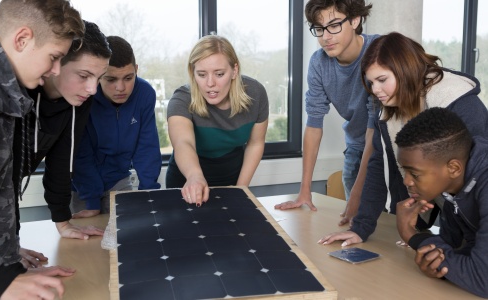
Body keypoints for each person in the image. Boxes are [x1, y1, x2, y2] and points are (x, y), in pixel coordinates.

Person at [319, 32, 488, 247]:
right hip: (454, 222)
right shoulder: (389, 109)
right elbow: (378, 165)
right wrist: (361, 228)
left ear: (406, 71)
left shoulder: (461, 104)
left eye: (382, 80)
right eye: (371, 82)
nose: (375, 91)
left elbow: (477, 179)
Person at [0, 0, 84, 298]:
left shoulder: (8, 95)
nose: (56, 70)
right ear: (22, 39)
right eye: (54, 57)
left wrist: (8, 259)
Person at [274, 0, 378, 223]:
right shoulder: (319, 63)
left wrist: (359, 193)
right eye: (319, 29)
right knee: (355, 223)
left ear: (355, 20)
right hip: (356, 145)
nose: (325, 37)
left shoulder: (378, 51)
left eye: (334, 25)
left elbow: (375, 124)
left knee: (387, 225)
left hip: (390, 147)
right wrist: (305, 190)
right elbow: (313, 124)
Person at [12, 20, 111, 250]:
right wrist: (8, 252)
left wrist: (63, 222)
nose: (93, 89)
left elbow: (62, 162)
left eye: (99, 77)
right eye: (84, 75)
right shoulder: (16, 90)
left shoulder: (79, 100)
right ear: (55, 62)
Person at [395, 107, 488, 298]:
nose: (406, 181)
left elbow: (483, 279)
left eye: (415, 173)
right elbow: (455, 250)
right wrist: (438, 263)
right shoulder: (455, 188)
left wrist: (412, 235)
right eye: (405, 171)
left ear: (453, 168)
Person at [165, 34, 269, 206]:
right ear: (193, 73)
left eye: (219, 74)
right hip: (187, 179)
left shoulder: (256, 94)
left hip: (232, 175)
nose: (210, 83)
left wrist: (241, 189)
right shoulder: (181, 99)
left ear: (234, 71)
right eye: (202, 74)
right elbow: (183, 143)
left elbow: (256, 143)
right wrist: (194, 176)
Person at [71, 35, 162, 218]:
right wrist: (92, 201)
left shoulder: (145, 94)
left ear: (136, 70)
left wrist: (149, 193)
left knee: (128, 234)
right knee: (89, 242)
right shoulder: (84, 96)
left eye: (128, 78)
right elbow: (81, 154)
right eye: (111, 79)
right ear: (99, 74)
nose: (121, 87)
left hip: (119, 179)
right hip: (82, 185)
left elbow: (147, 148)